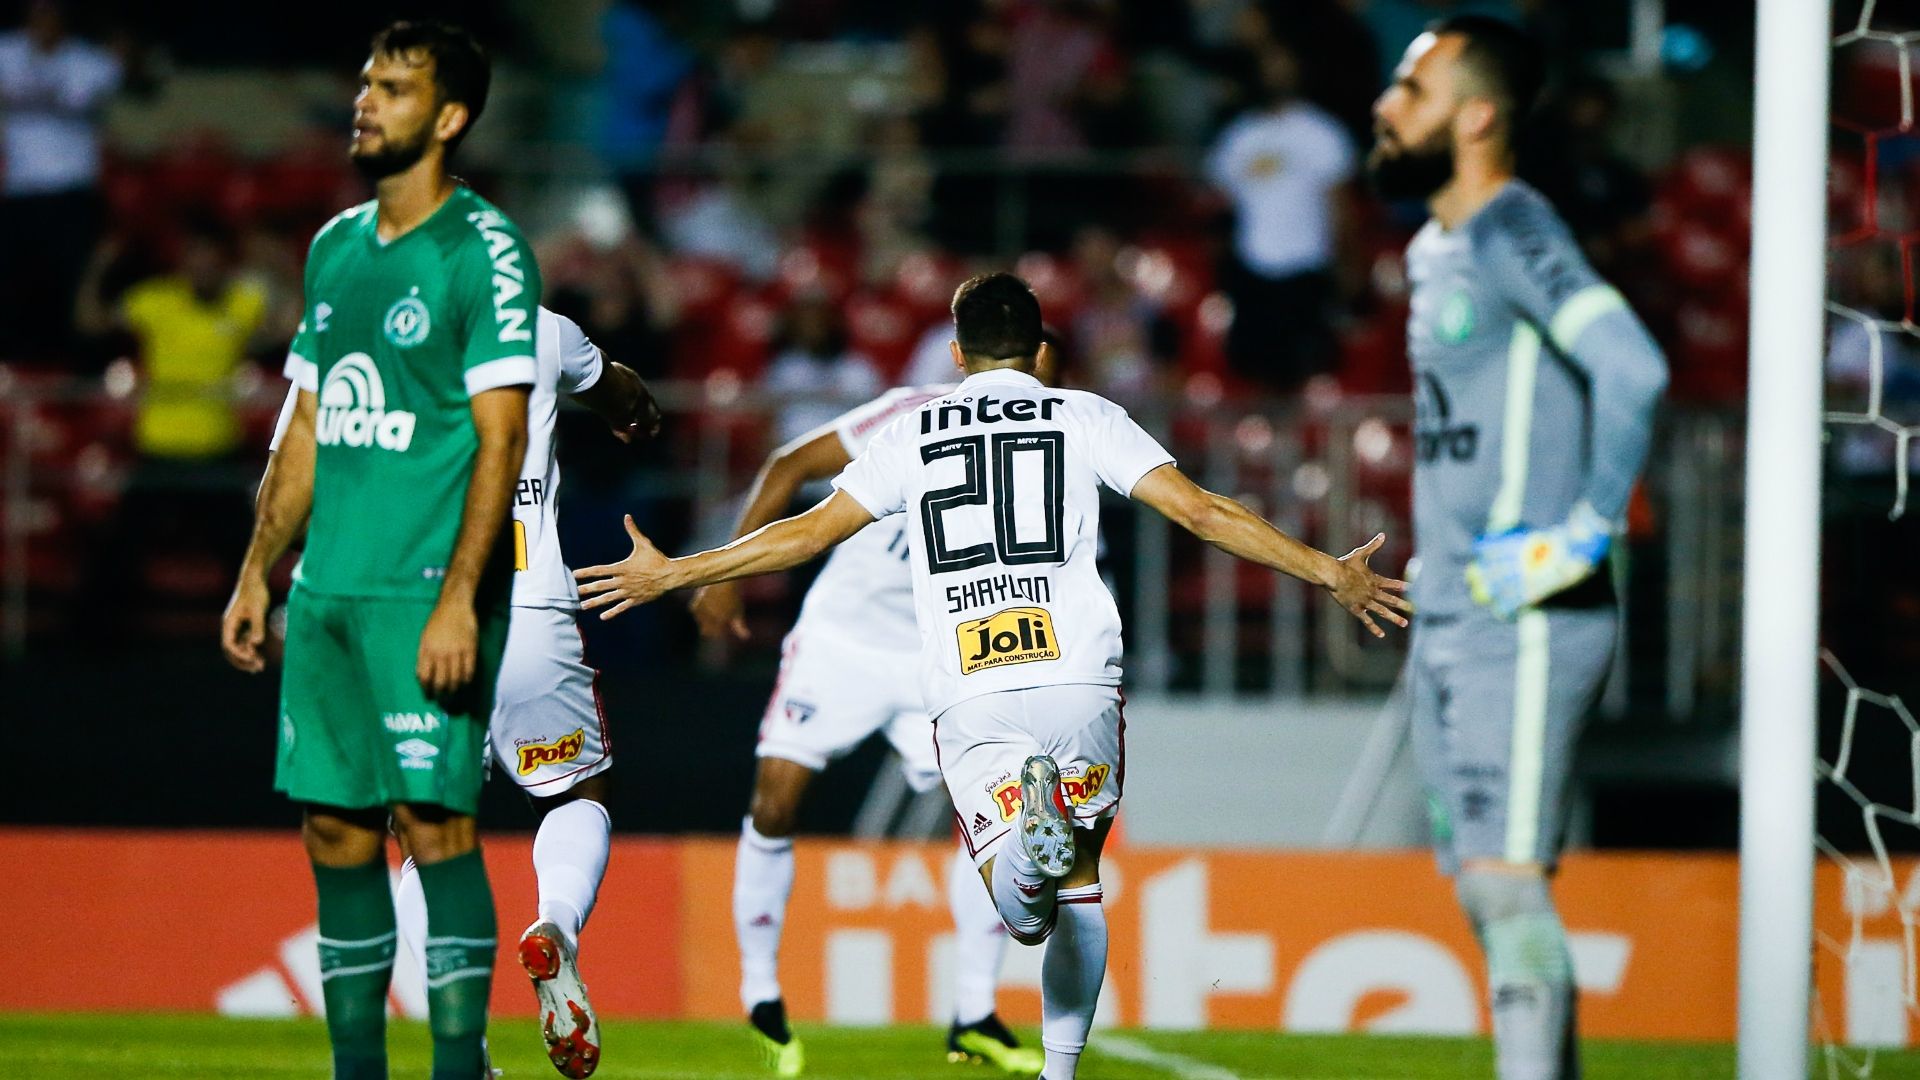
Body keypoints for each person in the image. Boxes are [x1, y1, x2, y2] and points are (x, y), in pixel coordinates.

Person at [574, 272, 1409, 1080]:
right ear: (1040, 349)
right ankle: (1058, 1069)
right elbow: (1200, 511)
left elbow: (806, 533)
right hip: (1077, 678)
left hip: (974, 683)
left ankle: (1022, 857)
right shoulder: (1086, 415)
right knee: (1080, 885)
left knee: (1023, 909)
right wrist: (1329, 572)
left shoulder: (910, 429)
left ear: (957, 351)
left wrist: (677, 574)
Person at [218, 22, 540, 1080]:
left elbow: (502, 440)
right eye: (365, 83)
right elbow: (308, 425)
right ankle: (357, 1070)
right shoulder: (335, 246)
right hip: (326, 593)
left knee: (435, 828)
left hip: (418, 594)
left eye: (395, 89)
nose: (366, 102)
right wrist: (259, 571)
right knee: (336, 836)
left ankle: (457, 1071)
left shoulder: (486, 251)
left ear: (448, 119)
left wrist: (461, 599)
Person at [1368, 17, 1668, 1080]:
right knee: (1482, 886)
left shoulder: (1510, 227)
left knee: (1504, 882)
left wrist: (1582, 535)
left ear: (1476, 114)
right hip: (1451, 606)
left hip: (1527, 617)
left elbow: (1633, 368)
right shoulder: (1435, 246)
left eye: (1413, 86)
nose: (1386, 103)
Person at [255, 306, 657, 1079]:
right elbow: (622, 395)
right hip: (526, 609)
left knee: (422, 832)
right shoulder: (539, 326)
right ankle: (557, 928)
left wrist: (275, 578)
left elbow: (285, 482)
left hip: (406, 616)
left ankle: (465, 1045)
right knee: (577, 793)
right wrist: (634, 413)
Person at [688, 381, 1045, 1077]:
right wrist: (726, 578)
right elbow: (791, 464)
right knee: (775, 801)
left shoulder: (1052, 442)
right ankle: (760, 993)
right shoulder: (913, 409)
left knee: (991, 818)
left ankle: (974, 1011)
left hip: (942, 655)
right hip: (842, 642)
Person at [1206, 39, 1355, 392]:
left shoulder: (1322, 133)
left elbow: (1341, 209)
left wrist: (1347, 269)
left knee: (1309, 371)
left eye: (1282, 66)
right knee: (1255, 372)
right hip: (1252, 273)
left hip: (1306, 271)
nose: (1275, 75)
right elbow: (1219, 209)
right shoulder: (1238, 138)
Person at [0, 0, 123, 357]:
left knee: (71, 287)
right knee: (19, 287)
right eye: (37, 14)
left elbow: (91, 92)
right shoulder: (7, 51)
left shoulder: (88, 61)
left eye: (51, 14)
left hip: (72, 192)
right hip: (21, 191)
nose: (43, 22)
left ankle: (72, 363)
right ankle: (20, 365)